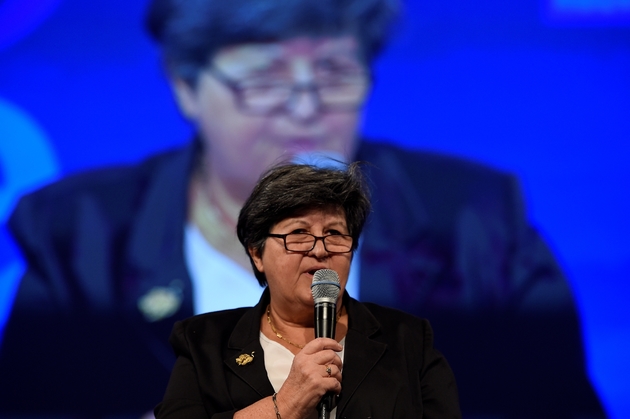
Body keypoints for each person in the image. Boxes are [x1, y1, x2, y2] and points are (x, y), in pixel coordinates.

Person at [0, 0, 603, 418]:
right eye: (264, 80)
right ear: (185, 85)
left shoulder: (475, 226)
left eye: (335, 74)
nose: (305, 107)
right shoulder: (82, 240)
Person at [155, 162, 461, 419]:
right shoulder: (204, 341)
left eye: (335, 234)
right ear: (257, 254)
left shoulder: (408, 339)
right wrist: (286, 405)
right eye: (299, 233)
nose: (320, 250)